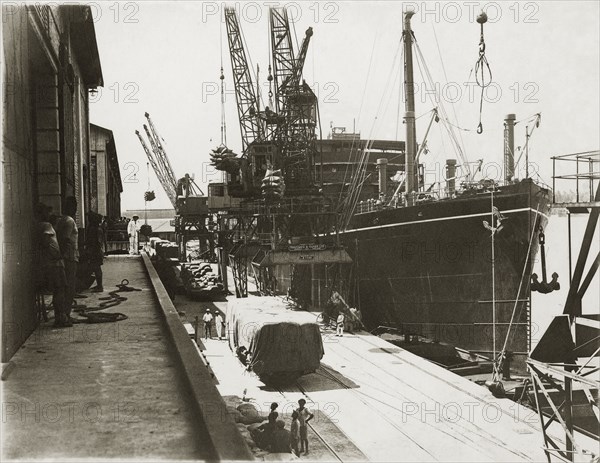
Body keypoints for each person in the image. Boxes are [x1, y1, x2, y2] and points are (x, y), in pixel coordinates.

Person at [35, 203, 68, 327]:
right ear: (41, 213)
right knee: (60, 290)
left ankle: (60, 317)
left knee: (58, 290)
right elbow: (44, 243)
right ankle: (60, 318)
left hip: (51, 263)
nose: (49, 214)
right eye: (47, 212)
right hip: (54, 264)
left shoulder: (41, 225)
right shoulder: (46, 225)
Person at [56, 196, 79, 326]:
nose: (75, 209)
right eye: (74, 206)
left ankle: (64, 315)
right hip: (69, 258)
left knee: (64, 288)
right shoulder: (69, 221)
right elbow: (64, 240)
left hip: (68, 257)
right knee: (69, 288)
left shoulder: (62, 220)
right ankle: (65, 316)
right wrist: (64, 257)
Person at [86, 212, 105, 292]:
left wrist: (91, 250)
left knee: (96, 268)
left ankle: (100, 286)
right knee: (96, 268)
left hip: (95, 251)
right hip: (95, 251)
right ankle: (98, 285)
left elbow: (97, 242)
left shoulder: (96, 229)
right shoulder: (94, 228)